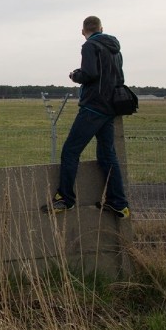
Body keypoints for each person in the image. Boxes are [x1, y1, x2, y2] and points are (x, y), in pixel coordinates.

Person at [41, 15, 130, 218]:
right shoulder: (115, 49)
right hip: (111, 107)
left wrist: (75, 75)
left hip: (93, 107)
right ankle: (119, 204)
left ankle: (65, 198)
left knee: (71, 151)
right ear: (101, 28)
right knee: (107, 156)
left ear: (83, 32)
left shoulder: (90, 46)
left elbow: (89, 73)